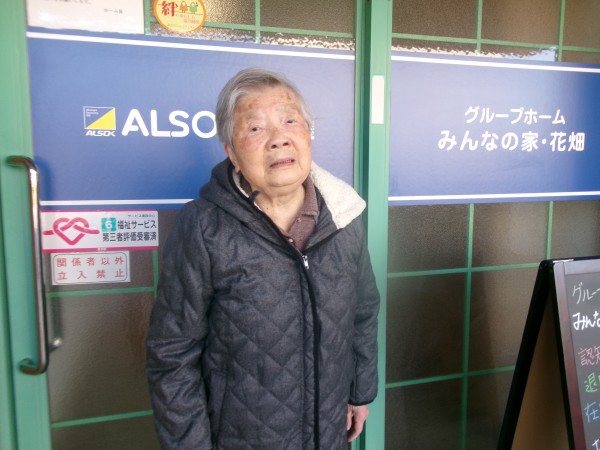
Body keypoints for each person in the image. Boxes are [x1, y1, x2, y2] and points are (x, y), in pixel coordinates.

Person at [146, 68, 380, 450]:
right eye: (255, 128)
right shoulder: (203, 227)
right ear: (232, 154)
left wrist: (359, 391)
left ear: (308, 135)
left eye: (290, 121)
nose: (278, 139)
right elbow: (172, 354)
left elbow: (363, 312)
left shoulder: (343, 215)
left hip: (328, 433)